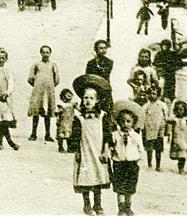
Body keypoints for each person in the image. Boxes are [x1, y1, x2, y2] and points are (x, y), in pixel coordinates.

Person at [69, 76, 113, 216]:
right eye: (85, 98)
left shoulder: (102, 116)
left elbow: (107, 135)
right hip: (85, 152)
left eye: (91, 98)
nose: (88, 101)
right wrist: (77, 151)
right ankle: (87, 204)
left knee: (98, 175)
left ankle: (98, 204)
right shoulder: (79, 118)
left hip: (98, 151)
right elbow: (75, 137)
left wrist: (106, 150)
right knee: (85, 176)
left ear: (97, 100)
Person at [110, 100, 145, 216]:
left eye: (128, 121)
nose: (125, 124)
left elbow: (141, 148)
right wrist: (111, 154)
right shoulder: (115, 135)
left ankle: (128, 207)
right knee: (120, 187)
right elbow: (111, 147)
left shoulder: (136, 136)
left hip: (132, 164)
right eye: (122, 121)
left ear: (133, 122)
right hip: (119, 164)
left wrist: (139, 159)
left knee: (130, 187)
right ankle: (121, 209)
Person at [28, 44, 60, 141]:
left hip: (48, 91)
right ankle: (33, 134)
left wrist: (50, 86)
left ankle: (47, 135)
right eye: (43, 52)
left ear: (50, 53)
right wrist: (37, 85)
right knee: (36, 112)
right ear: (40, 53)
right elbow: (30, 78)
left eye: (47, 52)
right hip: (38, 91)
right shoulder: (36, 64)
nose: (45, 54)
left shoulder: (53, 65)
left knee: (47, 113)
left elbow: (57, 79)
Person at [141, 85, 168, 172]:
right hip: (149, 129)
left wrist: (166, 128)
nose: (151, 95)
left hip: (159, 129)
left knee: (158, 149)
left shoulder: (162, 105)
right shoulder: (146, 106)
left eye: (153, 93)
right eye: (149, 93)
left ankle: (158, 165)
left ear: (158, 95)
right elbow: (142, 117)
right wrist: (143, 127)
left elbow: (166, 117)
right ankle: (149, 163)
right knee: (149, 148)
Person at [167, 99, 187, 174]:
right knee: (179, 154)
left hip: (185, 139)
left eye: (181, 109)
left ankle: (181, 168)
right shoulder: (174, 120)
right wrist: (168, 135)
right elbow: (169, 127)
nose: (179, 111)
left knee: (183, 155)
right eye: (177, 109)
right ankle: (180, 167)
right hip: (177, 139)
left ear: (185, 110)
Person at [56, 87, 77, 154]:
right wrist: (57, 120)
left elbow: (80, 109)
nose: (69, 95)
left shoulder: (73, 104)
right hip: (63, 122)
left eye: (70, 93)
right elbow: (58, 113)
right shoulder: (62, 105)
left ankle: (69, 148)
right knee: (61, 135)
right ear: (63, 97)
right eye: (67, 94)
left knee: (69, 135)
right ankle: (60, 147)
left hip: (70, 122)